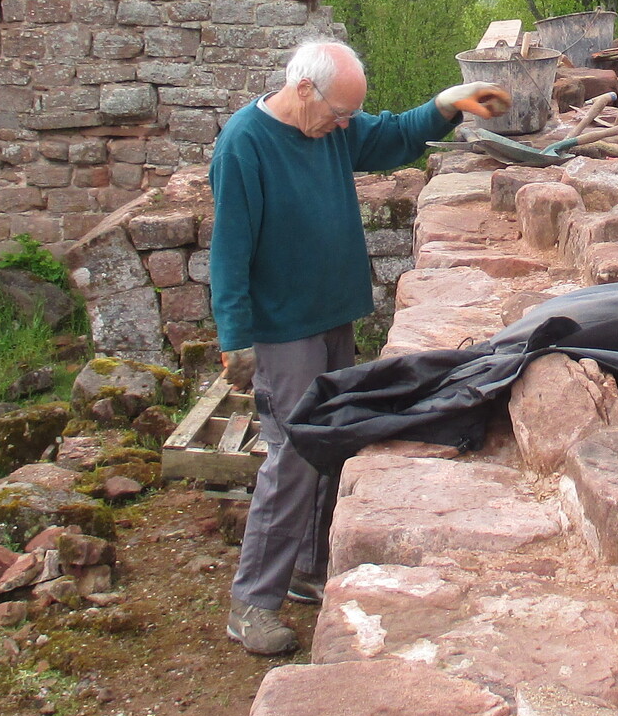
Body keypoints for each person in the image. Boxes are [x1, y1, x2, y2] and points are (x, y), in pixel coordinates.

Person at [210, 39, 508, 656]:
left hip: (332, 315)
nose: (346, 126)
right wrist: (235, 339)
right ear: (303, 89)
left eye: (351, 115)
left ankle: (308, 568)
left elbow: (392, 135)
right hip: (284, 328)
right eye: (341, 113)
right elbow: (229, 251)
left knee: (333, 440)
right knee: (293, 456)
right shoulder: (245, 145)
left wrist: (448, 103)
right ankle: (252, 603)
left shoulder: (330, 128)